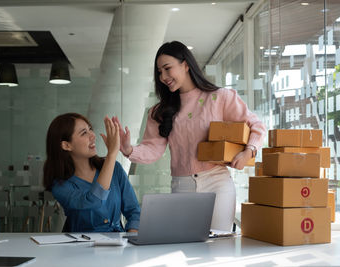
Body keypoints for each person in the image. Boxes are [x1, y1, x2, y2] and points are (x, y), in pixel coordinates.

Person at [112, 41, 266, 231]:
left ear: (186, 65)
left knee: (219, 245)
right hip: (181, 185)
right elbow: (153, 150)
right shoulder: (160, 112)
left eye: (167, 68)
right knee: (184, 248)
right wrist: (128, 149)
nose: (163, 77)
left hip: (217, 182)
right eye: (159, 72)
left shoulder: (220, 97)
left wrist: (249, 152)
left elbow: (256, 125)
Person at [43, 113, 140, 232]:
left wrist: (130, 239)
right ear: (66, 145)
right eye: (84, 133)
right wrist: (111, 154)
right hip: (81, 248)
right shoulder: (60, 186)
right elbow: (93, 201)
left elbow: (134, 211)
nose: (93, 135)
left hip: (120, 246)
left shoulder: (115, 169)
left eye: (90, 129)